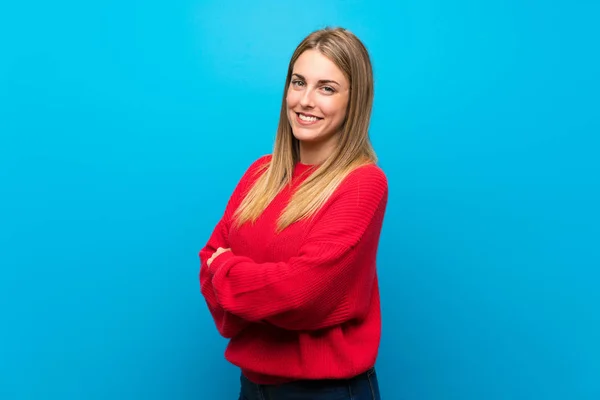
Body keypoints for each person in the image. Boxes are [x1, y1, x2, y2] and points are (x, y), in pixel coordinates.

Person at [199, 27, 388, 400]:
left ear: (355, 101)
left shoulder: (363, 184)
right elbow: (206, 261)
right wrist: (258, 289)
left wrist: (228, 271)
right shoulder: (259, 174)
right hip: (252, 387)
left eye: (327, 88)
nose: (305, 100)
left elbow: (301, 294)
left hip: (326, 392)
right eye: (298, 82)